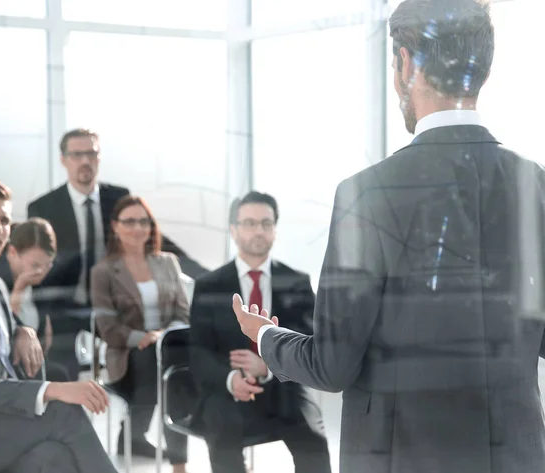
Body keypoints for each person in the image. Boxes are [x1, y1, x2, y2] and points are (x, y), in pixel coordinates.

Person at [233, 1, 545, 472]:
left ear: (404, 65)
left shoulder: (368, 193)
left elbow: (331, 366)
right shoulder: (535, 185)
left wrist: (265, 336)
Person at [0, 180, 117, 473]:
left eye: (4, 221)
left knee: (55, 457)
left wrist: (22, 329)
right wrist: (51, 389)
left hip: (1, 425)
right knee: (63, 413)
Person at [28, 128, 206, 380]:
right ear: (63, 159)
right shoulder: (45, 207)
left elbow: (156, 241)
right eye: (77, 154)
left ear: (99, 158)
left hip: (115, 302)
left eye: (91, 153)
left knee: (144, 354)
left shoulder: (117, 197)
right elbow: (36, 267)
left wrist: (209, 277)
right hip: (67, 306)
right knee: (61, 369)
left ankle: (131, 407)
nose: (85, 161)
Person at [190, 191, 331, 473]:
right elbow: (197, 352)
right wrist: (231, 379)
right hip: (227, 390)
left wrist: (269, 365)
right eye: (249, 223)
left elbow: (312, 343)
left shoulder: (297, 282)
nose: (258, 230)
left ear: (275, 230)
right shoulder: (209, 285)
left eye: (266, 223)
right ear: (234, 230)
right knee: (222, 433)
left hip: (284, 386)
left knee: (314, 440)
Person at [91, 195, 189, 471]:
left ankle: (172, 458)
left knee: (174, 371)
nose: (137, 228)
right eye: (129, 221)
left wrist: (163, 335)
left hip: (168, 345)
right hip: (128, 352)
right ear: (115, 226)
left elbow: (183, 313)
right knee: (162, 370)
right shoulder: (104, 271)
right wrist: (143, 338)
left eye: (143, 221)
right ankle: (157, 448)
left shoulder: (168, 262)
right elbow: (107, 327)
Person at [0, 218, 71, 381]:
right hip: (4, 368)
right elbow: (2, 335)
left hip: (34, 366)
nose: (41, 272)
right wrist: (19, 289)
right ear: (12, 253)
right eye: (35, 265)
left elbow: (46, 341)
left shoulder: (41, 283)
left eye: (47, 265)